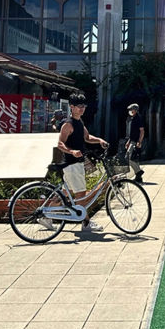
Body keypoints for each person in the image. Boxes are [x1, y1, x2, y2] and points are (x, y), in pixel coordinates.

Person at [44, 92, 108, 234]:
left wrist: (99, 140)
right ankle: (85, 223)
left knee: (65, 192)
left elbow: (86, 137)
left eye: (83, 106)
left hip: (75, 164)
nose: (82, 109)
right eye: (79, 106)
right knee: (81, 194)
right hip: (72, 164)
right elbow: (60, 143)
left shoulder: (80, 122)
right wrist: (72, 151)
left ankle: (45, 216)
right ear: (71, 107)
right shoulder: (68, 124)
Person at [124, 103, 146, 183]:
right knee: (134, 158)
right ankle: (138, 177)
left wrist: (139, 141)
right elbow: (132, 133)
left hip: (135, 141)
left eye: (131, 109)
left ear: (135, 110)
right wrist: (128, 142)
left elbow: (142, 131)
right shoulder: (133, 118)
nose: (130, 111)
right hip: (132, 140)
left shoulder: (138, 118)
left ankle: (139, 172)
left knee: (128, 157)